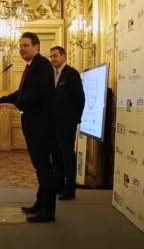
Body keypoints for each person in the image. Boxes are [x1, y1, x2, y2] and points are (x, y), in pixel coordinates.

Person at [0, 32, 57, 223]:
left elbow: (38, 92)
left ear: (37, 47)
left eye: (26, 45)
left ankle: (48, 211)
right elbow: (21, 92)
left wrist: (18, 105)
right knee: (39, 166)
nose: (22, 49)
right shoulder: (31, 66)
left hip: (41, 125)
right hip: (33, 124)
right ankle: (40, 203)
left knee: (43, 168)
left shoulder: (42, 66)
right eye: (20, 46)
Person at [49, 46, 85, 200]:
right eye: (51, 57)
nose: (52, 59)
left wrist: (75, 118)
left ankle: (70, 188)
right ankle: (58, 185)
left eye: (55, 56)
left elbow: (80, 98)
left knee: (67, 156)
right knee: (56, 156)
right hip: (52, 123)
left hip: (66, 123)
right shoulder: (51, 74)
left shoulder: (71, 73)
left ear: (63, 57)